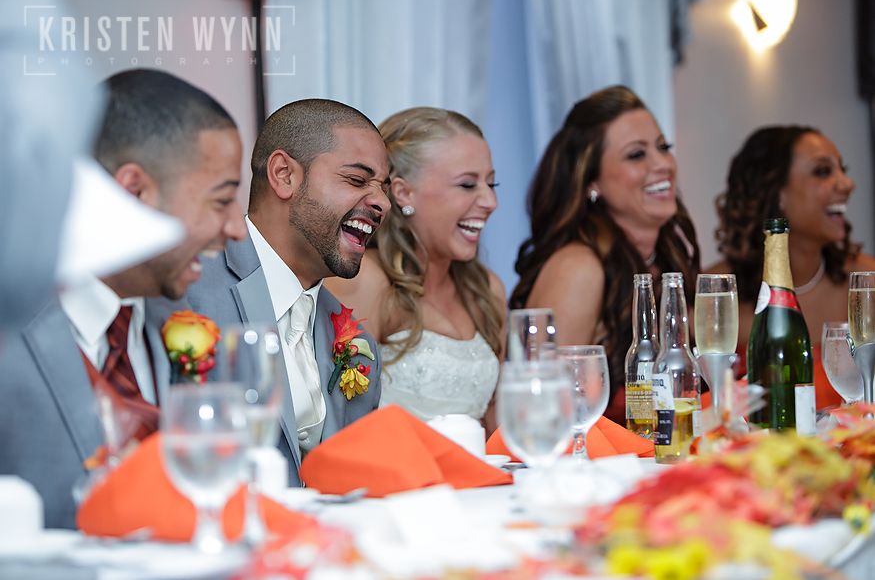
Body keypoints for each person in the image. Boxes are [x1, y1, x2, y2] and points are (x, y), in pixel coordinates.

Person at [0, 69, 246, 529]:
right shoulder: (11, 331)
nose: (236, 229)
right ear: (134, 191)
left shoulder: (191, 317)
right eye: (221, 201)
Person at [185, 99, 389, 486]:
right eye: (357, 180)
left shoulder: (358, 345)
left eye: (384, 187)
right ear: (284, 175)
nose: (382, 202)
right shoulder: (189, 296)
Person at [510, 85, 700, 424]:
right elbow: (536, 413)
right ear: (592, 182)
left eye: (663, 148)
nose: (662, 164)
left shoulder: (666, 258)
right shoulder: (579, 268)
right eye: (636, 155)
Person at [326, 107, 505, 431]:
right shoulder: (364, 283)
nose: (490, 202)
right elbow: (338, 424)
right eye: (467, 185)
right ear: (404, 193)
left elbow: (496, 422)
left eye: (492, 184)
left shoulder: (486, 289)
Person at [706, 125, 875, 408]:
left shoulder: (865, 284)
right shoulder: (717, 294)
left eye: (842, 170)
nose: (847, 184)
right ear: (777, 195)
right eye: (823, 171)